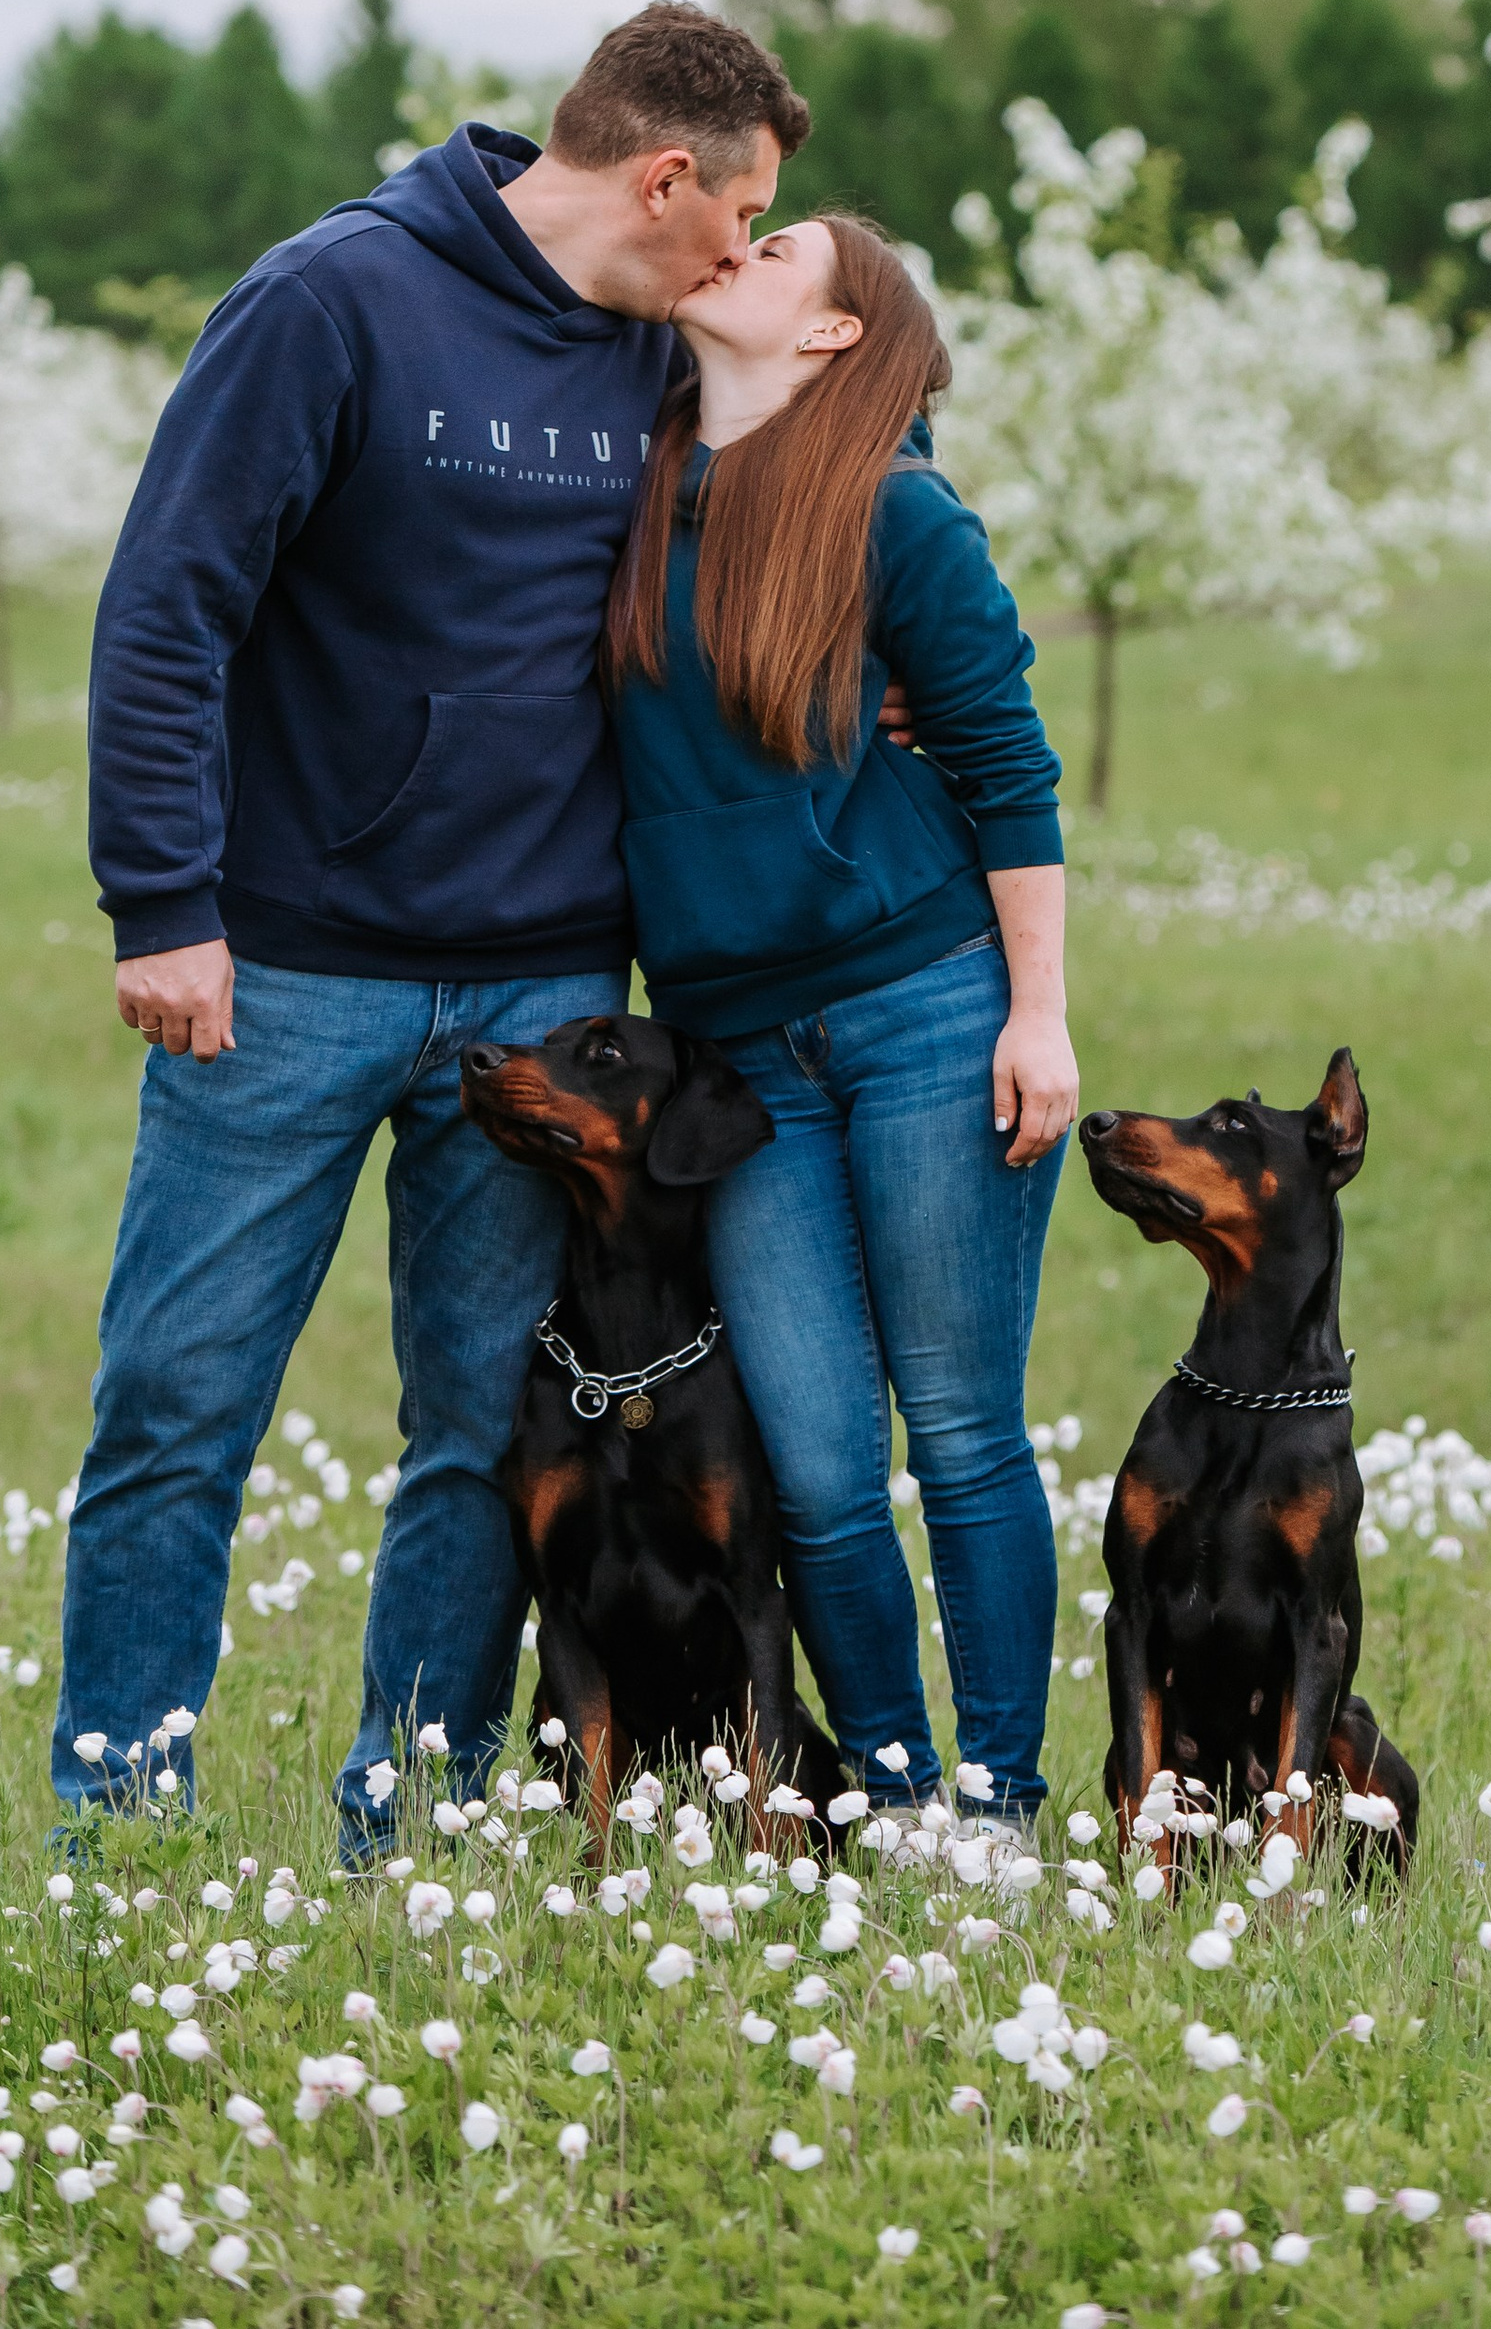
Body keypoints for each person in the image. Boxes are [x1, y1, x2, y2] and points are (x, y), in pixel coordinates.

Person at [58, 1, 810, 1843]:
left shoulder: (664, 355)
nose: (745, 261)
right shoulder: (335, 301)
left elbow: (863, 450)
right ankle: (119, 1831)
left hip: (547, 987)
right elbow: (169, 607)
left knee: (478, 1440)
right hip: (285, 970)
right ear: (659, 176)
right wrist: (164, 901)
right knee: (177, 1410)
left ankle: (412, 1825)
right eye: (738, 221)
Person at [605, 211, 1075, 1830]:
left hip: (924, 1006)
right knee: (814, 1464)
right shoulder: (629, 490)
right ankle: (889, 1796)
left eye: (783, 246)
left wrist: (1041, 1019)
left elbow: (1011, 771)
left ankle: (1000, 1812)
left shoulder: (896, 513)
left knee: (956, 1432)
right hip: (739, 1062)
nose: (736, 245)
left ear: (831, 338)